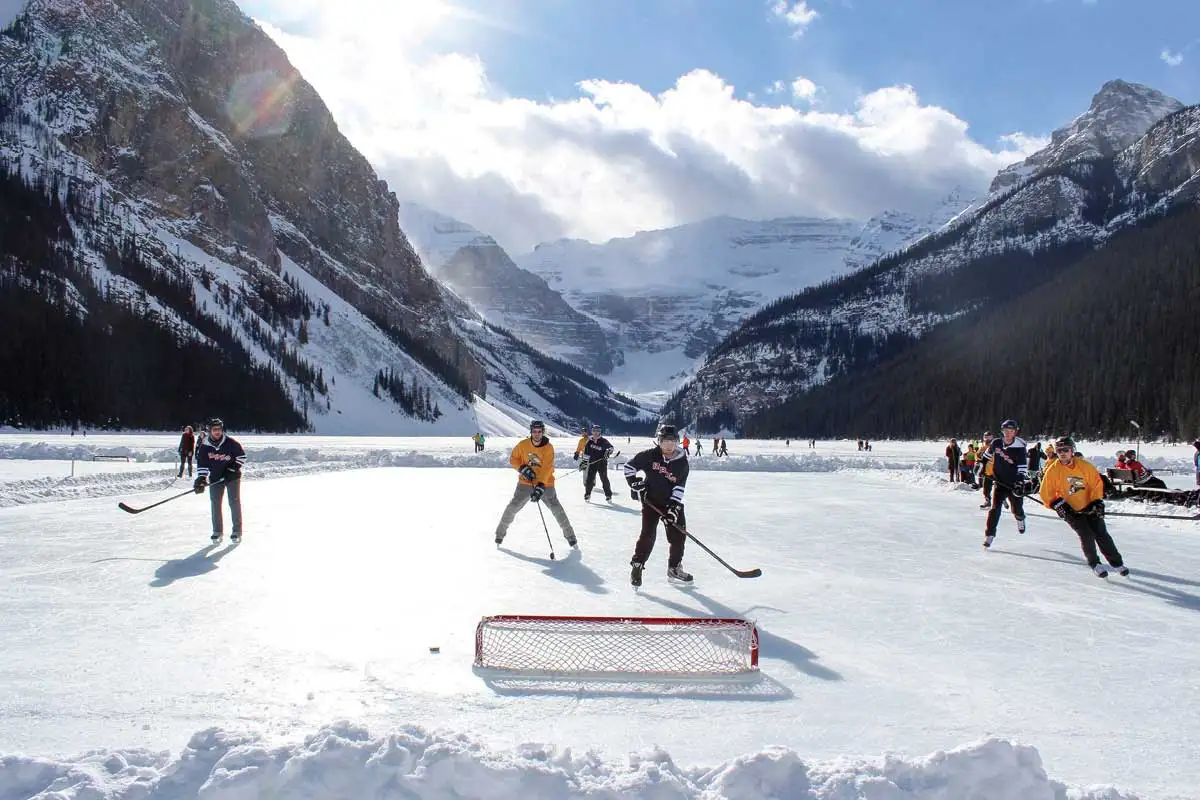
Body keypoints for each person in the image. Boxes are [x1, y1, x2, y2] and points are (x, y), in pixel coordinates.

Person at [1039, 436, 1129, 578]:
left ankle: (1116, 563)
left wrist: (1096, 502)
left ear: (1072, 451)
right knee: (1086, 534)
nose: (1062, 453)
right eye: (1059, 450)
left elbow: (1096, 484)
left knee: (1101, 533)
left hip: (1089, 506)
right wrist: (1058, 504)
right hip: (1071, 511)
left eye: (1065, 450)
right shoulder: (1053, 470)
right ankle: (1095, 563)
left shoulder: (1084, 466)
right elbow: (1046, 493)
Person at [623, 425, 691, 586]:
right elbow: (629, 467)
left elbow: (679, 487)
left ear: (677, 442)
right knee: (647, 535)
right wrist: (633, 483)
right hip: (651, 501)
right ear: (659, 442)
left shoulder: (682, 463)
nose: (668, 445)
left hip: (671, 503)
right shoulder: (649, 455)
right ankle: (637, 566)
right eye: (665, 441)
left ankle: (674, 568)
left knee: (679, 536)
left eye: (672, 441)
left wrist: (673, 509)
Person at [495, 420, 577, 549]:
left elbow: (547, 468)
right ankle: (499, 535)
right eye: (534, 431)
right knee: (512, 507)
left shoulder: (548, 447)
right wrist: (522, 468)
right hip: (525, 483)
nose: (537, 434)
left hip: (546, 484)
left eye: (539, 431)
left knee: (557, 509)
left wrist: (541, 485)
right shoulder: (523, 445)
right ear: (531, 432)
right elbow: (513, 459)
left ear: (543, 432)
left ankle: (571, 538)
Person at [193, 418, 246, 544]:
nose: (217, 432)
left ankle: (237, 532)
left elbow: (242, 457)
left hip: (232, 478)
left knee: (234, 502)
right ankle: (217, 532)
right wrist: (201, 478)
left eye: (219, 429)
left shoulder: (231, 443)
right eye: (214, 429)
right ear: (210, 431)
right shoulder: (205, 446)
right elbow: (202, 464)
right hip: (216, 478)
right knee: (215, 504)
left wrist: (232, 470)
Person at [979, 419, 1029, 548]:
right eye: (1005, 431)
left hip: (1014, 484)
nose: (1007, 433)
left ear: (1015, 432)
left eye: (1010, 431)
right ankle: (989, 535)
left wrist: (1019, 482)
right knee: (995, 509)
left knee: (1016, 509)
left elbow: (1023, 467)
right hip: (1000, 482)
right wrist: (981, 466)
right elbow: (987, 455)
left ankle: (1020, 518)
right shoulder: (996, 443)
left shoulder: (1019, 447)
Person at [580, 424, 616, 501]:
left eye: (598, 431)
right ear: (592, 432)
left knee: (604, 479)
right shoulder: (589, 441)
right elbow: (586, 453)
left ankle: (608, 495)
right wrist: (584, 463)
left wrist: (608, 452)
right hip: (592, 463)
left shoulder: (604, 441)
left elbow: (611, 448)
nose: (596, 433)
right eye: (594, 431)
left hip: (602, 463)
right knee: (589, 479)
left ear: (600, 432)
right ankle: (587, 494)